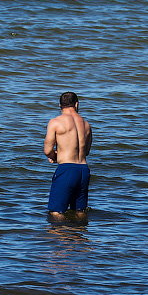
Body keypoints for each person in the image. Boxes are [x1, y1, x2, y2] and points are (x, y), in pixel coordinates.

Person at [44, 91, 93, 222]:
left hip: (66, 169)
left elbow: (47, 150)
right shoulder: (86, 125)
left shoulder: (55, 122)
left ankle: (62, 240)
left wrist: (55, 156)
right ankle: (80, 238)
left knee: (56, 212)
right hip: (83, 170)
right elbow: (86, 151)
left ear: (60, 105)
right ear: (76, 104)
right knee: (80, 211)